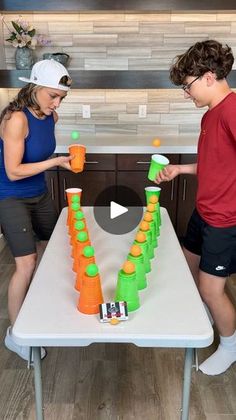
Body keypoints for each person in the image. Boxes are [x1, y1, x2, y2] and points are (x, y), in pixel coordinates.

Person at [155, 40, 236, 375]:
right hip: (203, 212)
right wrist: (182, 169)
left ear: (207, 77)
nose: (187, 93)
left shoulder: (231, 109)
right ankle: (199, 318)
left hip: (225, 220)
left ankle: (230, 345)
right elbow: (218, 163)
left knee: (210, 289)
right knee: (187, 267)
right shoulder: (212, 114)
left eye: (187, 86)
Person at [0, 59, 74, 361]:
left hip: (39, 193)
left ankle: (38, 307)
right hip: (11, 196)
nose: (56, 103)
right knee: (26, 263)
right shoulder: (16, 118)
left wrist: (60, 159)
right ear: (33, 88)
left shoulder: (49, 116)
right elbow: (14, 170)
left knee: (51, 248)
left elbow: (39, 153)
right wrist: (56, 162)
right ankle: (16, 335)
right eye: (52, 96)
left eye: (61, 98)